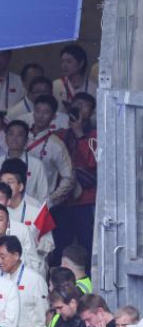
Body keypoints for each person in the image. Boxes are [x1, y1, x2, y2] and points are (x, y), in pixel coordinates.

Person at [54, 92, 97, 260]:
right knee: (60, 244)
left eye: (84, 105)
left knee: (87, 244)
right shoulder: (61, 135)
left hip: (86, 200)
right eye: (76, 103)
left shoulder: (95, 135)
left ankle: (87, 282)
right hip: (63, 199)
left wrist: (80, 134)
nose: (79, 107)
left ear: (92, 112)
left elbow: (93, 162)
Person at [53, 44, 97, 111]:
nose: (64, 65)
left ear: (81, 64)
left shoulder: (94, 87)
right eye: (62, 61)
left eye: (69, 61)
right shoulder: (56, 85)